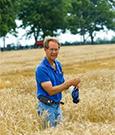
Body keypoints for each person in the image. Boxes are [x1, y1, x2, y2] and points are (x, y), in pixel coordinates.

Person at [35, 36, 80, 128]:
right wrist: (69, 83)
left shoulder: (58, 64)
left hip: (57, 106)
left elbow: (61, 83)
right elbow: (51, 91)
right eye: (51, 49)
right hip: (46, 108)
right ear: (45, 49)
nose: (54, 52)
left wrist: (73, 89)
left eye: (56, 49)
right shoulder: (41, 69)